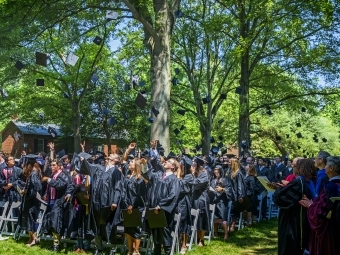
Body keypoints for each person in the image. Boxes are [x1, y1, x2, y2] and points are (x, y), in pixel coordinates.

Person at [270, 158, 316, 255]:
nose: (293, 168)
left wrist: (279, 190)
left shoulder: (300, 181)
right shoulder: (311, 181)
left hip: (293, 221)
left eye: (295, 166)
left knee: (290, 247)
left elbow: (281, 199)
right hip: (304, 218)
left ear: (301, 168)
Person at [81, 150, 123, 255]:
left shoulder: (116, 172)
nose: (110, 154)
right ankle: (98, 247)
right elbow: (89, 167)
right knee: (96, 224)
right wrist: (83, 160)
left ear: (116, 160)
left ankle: (112, 247)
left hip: (108, 202)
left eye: (113, 154)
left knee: (109, 225)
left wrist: (115, 201)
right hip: (96, 201)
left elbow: (118, 188)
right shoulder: (100, 168)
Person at [144, 141, 180, 255]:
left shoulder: (174, 179)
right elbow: (146, 174)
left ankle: (168, 252)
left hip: (164, 211)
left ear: (173, 167)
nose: (165, 162)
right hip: (155, 209)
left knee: (164, 234)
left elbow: (173, 196)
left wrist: (161, 206)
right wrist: (145, 162)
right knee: (155, 235)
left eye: (168, 162)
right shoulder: (159, 175)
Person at [299, 156, 340, 255]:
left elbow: (322, 212)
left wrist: (311, 206)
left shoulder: (331, 188)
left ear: (331, 169)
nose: (324, 167)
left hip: (330, 230)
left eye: (326, 165)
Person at [42, 159, 73, 252]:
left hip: (59, 202)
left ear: (59, 166)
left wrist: (48, 179)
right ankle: (56, 243)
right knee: (52, 222)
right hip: (52, 200)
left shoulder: (63, 175)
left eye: (53, 165)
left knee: (56, 223)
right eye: (51, 165)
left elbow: (60, 185)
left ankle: (57, 245)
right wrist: (45, 195)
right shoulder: (53, 174)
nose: (51, 166)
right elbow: (50, 188)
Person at [123, 156, 147, 255]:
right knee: (128, 228)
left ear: (136, 165)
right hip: (127, 206)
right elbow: (124, 192)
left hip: (136, 207)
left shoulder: (140, 180)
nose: (129, 163)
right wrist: (126, 204)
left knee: (136, 229)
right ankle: (130, 250)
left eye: (131, 162)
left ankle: (136, 251)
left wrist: (132, 205)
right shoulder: (128, 177)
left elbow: (139, 195)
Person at [19, 159, 42, 247]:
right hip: (29, 200)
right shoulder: (33, 173)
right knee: (27, 219)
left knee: (30, 220)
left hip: (31, 201)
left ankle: (34, 239)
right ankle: (31, 238)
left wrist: (26, 192)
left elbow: (37, 188)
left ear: (29, 165)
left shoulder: (34, 174)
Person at [176, 156, 192, 255]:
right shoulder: (177, 175)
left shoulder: (189, 177)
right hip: (176, 202)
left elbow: (182, 189)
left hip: (184, 202)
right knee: (176, 223)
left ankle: (184, 245)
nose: (178, 167)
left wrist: (177, 176)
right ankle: (176, 243)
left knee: (184, 223)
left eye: (180, 166)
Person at [226, 158, 246, 231]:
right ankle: (228, 224)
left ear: (233, 163)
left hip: (235, 194)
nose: (227, 163)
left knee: (234, 210)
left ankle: (233, 224)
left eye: (229, 162)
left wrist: (240, 196)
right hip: (229, 193)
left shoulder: (238, 173)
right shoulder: (228, 172)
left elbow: (240, 186)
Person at [209, 165, 229, 240]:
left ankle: (226, 234)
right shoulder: (212, 180)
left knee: (223, 217)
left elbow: (229, 189)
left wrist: (222, 189)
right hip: (214, 200)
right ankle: (216, 233)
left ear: (221, 171)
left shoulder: (225, 180)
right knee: (214, 217)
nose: (216, 172)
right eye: (215, 170)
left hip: (222, 202)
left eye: (217, 170)